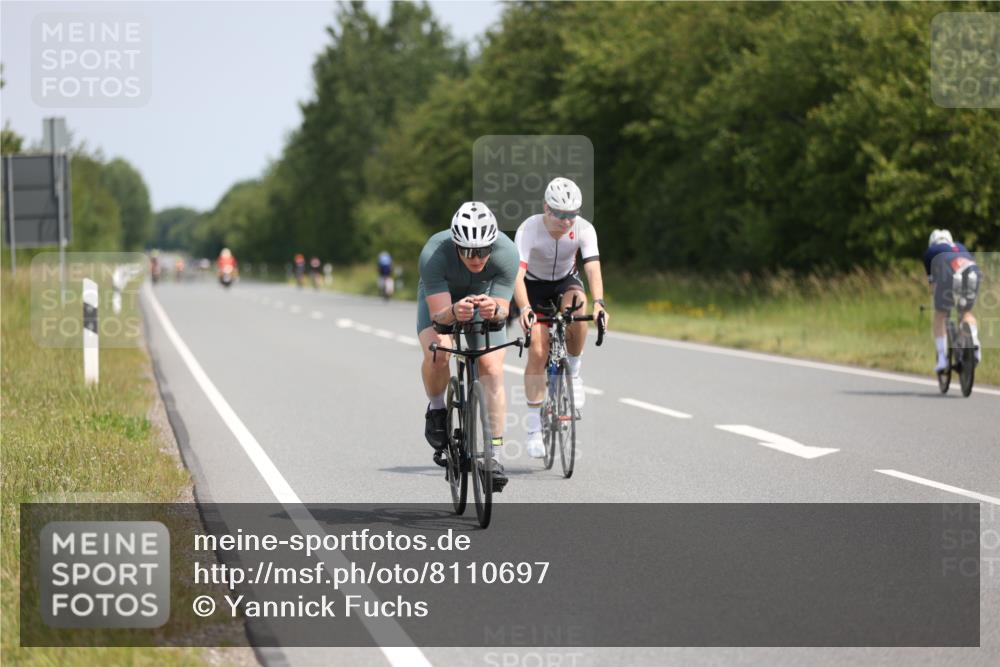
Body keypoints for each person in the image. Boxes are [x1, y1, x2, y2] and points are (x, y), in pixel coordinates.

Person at [417, 202, 518, 491]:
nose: (477, 258)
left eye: (484, 251)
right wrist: (452, 312)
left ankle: (494, 456)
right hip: (442, 301)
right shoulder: (434, 253)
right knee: (439, 351)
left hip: (481, 297)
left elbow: (501, 315)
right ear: (456, 244)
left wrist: (493, 310)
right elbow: (438, 318)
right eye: (469, 251)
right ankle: (437, 409)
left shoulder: (507, 252)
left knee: (491, 368)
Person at [514, 177, 608, 458]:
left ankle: (575, 373)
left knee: (580, 307)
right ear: (546, 208)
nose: (567, 221)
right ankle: (533, 429)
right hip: (533, 286)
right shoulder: (529, 229)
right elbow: (516, 275)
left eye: (572, 215)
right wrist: (524, 308)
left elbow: (592, 268)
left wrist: (600, 303)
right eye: (560, 214)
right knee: (538, 350)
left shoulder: (584, 229)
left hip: (565, 281)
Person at [924, 229, 982, 372]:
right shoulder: (960, 246)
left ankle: (942, 360)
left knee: (940, 315)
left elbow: (933, 284)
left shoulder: (931, 251)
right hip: (972, 272)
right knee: (966, 311)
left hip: (948, 273)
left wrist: (938, 303)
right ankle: (973, 339)